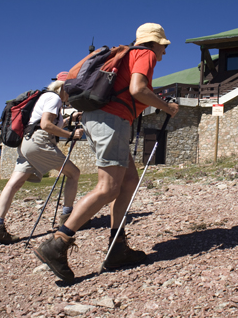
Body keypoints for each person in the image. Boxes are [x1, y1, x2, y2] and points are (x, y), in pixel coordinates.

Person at [33, 23, 179, 282]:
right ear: (153, 42)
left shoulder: (126, 55)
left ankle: (117, 247)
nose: (164, 52)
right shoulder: (143, 54)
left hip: (103, 118)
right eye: (163, 45)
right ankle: (57, 244)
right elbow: (138, 89)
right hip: (112, 121)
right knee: (108, 188)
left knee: (129, 182)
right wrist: (166, 107)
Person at [0, 72, 84, 245]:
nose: (72, 93)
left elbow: (46, 122)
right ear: (64, 87)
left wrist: (69, 119)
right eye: (71, 89)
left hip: (27, 143)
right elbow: (46, 125)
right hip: (40, 142)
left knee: (14, 184)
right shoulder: (54, 99)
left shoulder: (44, 98)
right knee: (74, 173)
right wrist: (71, 134)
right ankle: (68, 217)